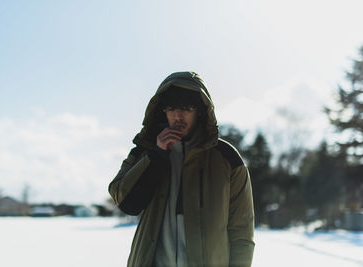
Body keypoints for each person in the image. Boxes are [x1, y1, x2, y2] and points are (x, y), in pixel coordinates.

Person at [108, 71, 255, 267]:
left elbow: (241, 232)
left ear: (201, 112)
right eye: (171, 108)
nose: (178, 116)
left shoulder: (226, 158)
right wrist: (156, 156)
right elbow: (126, 202)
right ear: (163, 111)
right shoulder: (144, 152)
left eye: (186, 108)